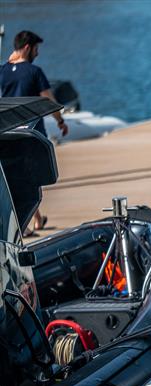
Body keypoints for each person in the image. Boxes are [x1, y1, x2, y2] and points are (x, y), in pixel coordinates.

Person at [0, 30, 68, 234]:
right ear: (28, 47)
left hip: (7, 134)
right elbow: (49, 101)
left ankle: (34, 221)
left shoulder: (2, 70)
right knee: (32, 180)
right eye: (36, 49)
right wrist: (61, 121)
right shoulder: (34, 72)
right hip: (30, 136)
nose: (37, 53)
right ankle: (26, 224)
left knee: (14, 179)